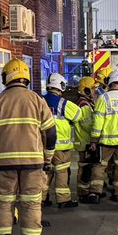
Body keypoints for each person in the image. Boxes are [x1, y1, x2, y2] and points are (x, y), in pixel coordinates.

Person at [0, 58, 56, 235]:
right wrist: (47, 158)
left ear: (7, 77)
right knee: (31, 202)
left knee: (4, 202)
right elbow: (50, 133)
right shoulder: (37, 100)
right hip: (33, 163)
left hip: (4, 163)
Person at [87, 69, 118, 203]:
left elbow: (98, 120)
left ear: (110, 82)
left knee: (100, 166)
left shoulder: (104, 98)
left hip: (106, 141)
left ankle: (95, 192)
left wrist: (94, 140)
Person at [43, 72, 81, 209]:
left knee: (45, 173)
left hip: (43, 146)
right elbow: (78, 115)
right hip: (61, 147)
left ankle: (42, 198)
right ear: (61, 86)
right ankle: (63, 200)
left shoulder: (39, 101)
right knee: (62, 173)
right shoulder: (63, 103)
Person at [72, 76, 97, 200]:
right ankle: (83, 193)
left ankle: (83, 191)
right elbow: (88, 124)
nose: (94, 91)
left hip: (82, 140)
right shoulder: (84, 104)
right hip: (85, 141)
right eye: (92, 89)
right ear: (86, 90)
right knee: (85, 168)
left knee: (85, 167)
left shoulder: (83, 102)